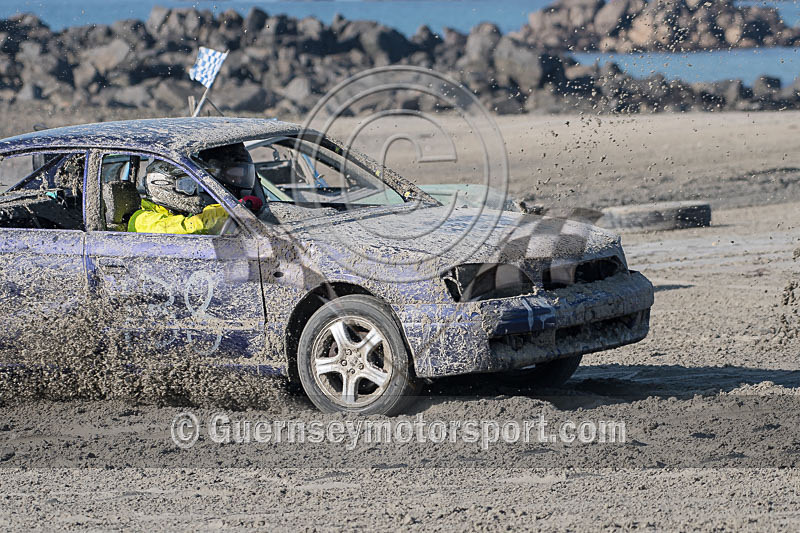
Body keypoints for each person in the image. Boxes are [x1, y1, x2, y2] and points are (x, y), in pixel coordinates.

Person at [128, 143, 262, 235]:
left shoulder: (178, 212)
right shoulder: (142, 219)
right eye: (187, 185)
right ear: (162, 185)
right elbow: (190, 227)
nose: (193, 192)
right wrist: (233, 210)